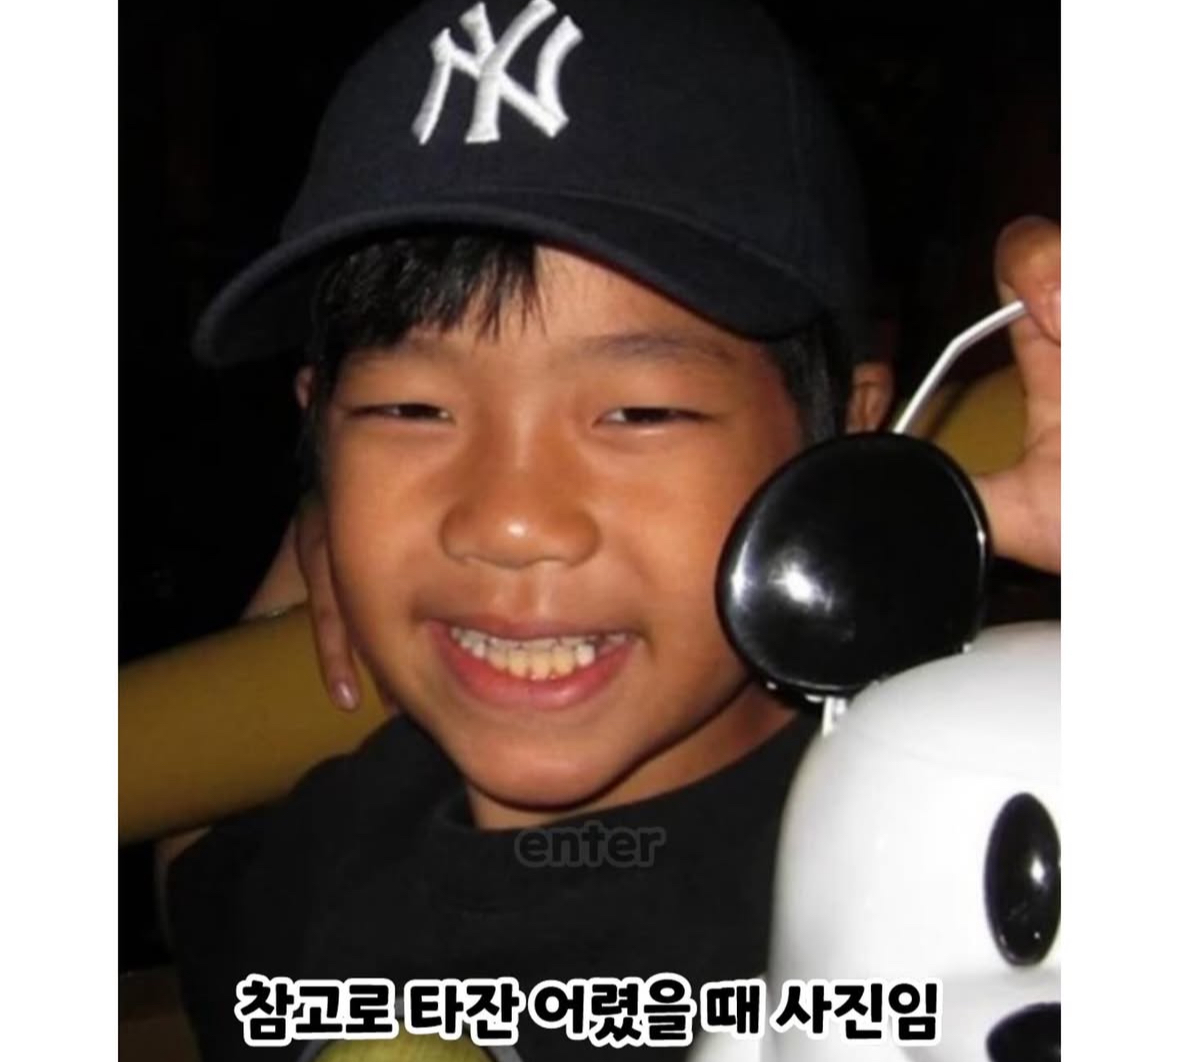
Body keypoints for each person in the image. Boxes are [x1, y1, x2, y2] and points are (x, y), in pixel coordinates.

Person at [165, 1, 1061, 1059]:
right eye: (409, 410)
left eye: (640, 413)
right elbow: (200, 874)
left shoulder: (946, 847)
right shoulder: (346, 837)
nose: (508, 519)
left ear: (847, 434)